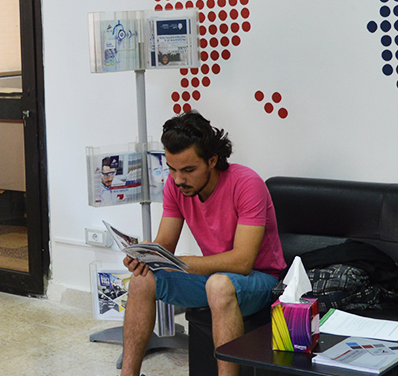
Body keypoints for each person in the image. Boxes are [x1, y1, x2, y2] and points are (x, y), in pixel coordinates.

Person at [119, 111, 286, 376]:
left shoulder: (247, 184)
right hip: (212, 278)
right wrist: (147, 256)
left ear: (212, 160)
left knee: (219, 285)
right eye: (172, 169)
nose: (178, 179)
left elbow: (242, 262)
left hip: (261, 280)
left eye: (188, 170)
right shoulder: (175, 186)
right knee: (142, 279)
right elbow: (165, 245)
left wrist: (179, 263)